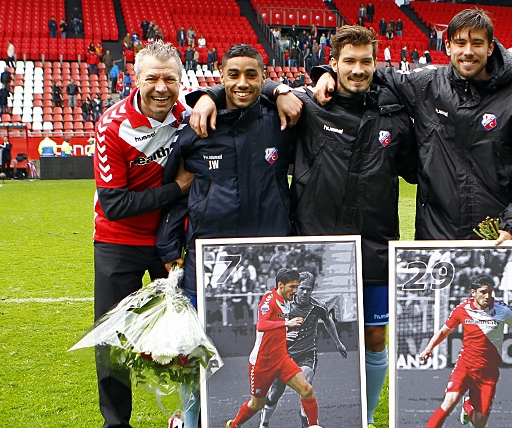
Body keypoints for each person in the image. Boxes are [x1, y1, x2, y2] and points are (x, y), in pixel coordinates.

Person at [189, 25, 417, 428]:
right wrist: (216, 94)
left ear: (376, 64)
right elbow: (251, 88)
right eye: (349, 61)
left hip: (376, 245)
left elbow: (417, 171)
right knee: (288, 358)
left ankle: (361, 416)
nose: (358, 69)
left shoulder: (395, 118)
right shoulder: (308, 106)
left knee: (376, 338)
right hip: (313, 244)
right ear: (333, 63)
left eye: (366, 61)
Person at [312, 9, 512, 244]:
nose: (468, 52)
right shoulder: (427, 85)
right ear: (448, 45)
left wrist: (511, 227)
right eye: (460, 43)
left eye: (477, 43)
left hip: (495, 239)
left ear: (491, 47)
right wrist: (326, 73)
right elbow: (367, 75)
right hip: (433, 240)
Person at [157, 44, 297, 428]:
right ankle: (189, 420)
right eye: (233, 74)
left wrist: (280, 92)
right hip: (207, 262)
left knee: (251, 347)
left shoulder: (281, 122)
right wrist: (169, 246)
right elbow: (176, 191)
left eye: (252, 74)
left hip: (267, 260)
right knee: (195, 350)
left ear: (264, 77)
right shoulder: (197, 127)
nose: (242, 82)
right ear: (220, 75)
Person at [92, 40, 193, 428]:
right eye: (152, 78)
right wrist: (176, 189)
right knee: (113, 339)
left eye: (170, 78)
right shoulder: (112, 125)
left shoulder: (190, 115)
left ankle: (191, 415)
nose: (162, 87)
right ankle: (116, 423)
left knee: (188, 335)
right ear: (135, 79)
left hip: (173, 244)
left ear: (181, 80)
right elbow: (115, 204)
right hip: (120, 243)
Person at [418, 275, 512, 428]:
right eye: (483, 292)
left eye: (490, 292)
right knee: (449, 402)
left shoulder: (503, 310)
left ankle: (468, 405)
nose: (487, 296)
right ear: (473, 292)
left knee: (479, 424)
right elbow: (444, 331)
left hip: (488, 372)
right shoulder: (462, 309)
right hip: (464, 367)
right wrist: (429, 347)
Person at [225, 269, 320, 428]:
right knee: (257, 405)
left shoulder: (287, 300)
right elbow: (261, 324)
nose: (295, 290)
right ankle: (234, 425)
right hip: (262, 363)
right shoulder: (269, 300)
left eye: (297, 286)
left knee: (307, 390)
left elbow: (278, 324)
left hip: (281, 358)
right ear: (280, 285)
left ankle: (313, 425)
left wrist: (286, 332)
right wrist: (286, 324)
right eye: (292, 287)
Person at [259, 271, 348, 428]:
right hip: (284, 355)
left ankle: (306, 418)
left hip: (307, 353)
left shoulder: (318, 307)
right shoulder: (284, 306)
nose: (305, 292)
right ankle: (264, 423)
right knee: (275, 393)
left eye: (308, 289)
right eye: (302, 288)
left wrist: (338, 343)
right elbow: (269, 326)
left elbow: (328, 321)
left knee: (306, 384)